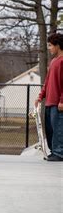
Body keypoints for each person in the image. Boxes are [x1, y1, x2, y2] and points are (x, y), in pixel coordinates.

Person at [35, 32, 63, 161]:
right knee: (50, 129)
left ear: (58, 46)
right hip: (49, 102)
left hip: (58, 103)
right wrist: (40, 96)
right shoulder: (53, 62)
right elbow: (47, 81)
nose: (49, 48)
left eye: (51, 45)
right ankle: (53, 151)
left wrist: (62, 101)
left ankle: (59, 153)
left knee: (58, 129)